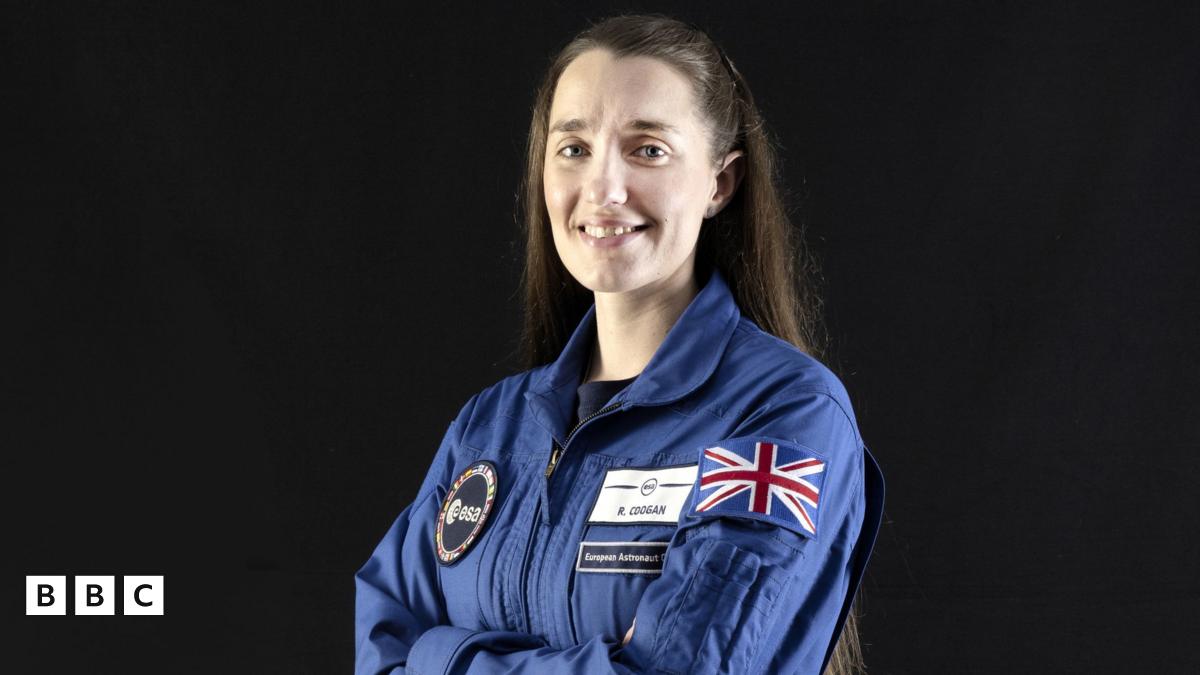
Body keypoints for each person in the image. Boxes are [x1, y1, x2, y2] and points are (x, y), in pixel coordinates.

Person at [355, 13, 885, 675]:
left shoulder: (783, 414)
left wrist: (440, 657)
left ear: (719, 183)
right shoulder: (488, 428)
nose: (603, 189)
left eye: (648, 150)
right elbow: (380, 647)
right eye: (574, 148)